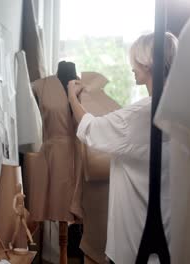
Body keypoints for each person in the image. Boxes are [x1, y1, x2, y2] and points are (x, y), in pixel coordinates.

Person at [67, 32, 178, 264]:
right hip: (169, 233)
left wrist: (72, 98)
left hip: (138, 237)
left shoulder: (144, 112)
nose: (132, 67)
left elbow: (93, 129)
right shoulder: (178, 106)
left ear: (149, 61)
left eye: (135, 61)